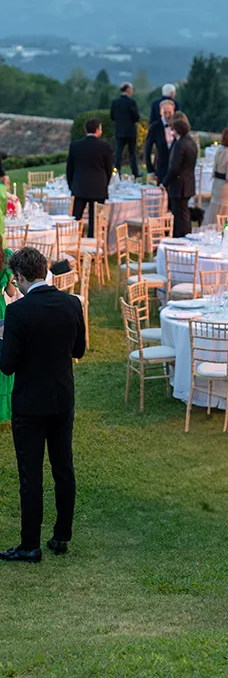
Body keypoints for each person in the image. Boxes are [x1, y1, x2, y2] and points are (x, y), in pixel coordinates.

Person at [0, 247, 86, 562]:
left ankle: (29, 544)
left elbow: (7, 365)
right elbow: (79, 350)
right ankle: (62, 535)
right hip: (62, 399)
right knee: (63, 468)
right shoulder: (71, 303)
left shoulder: (18, 312)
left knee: (30, 474)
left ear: (20, 277)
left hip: (29, 405)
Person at [66, 118, 113, 238]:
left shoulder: (75, 146)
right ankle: (93, 245)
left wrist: (72, 185)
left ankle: (73, 241)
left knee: (76, 218)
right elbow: (108, 169)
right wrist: (104, 184)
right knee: (95, 221)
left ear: (85, 130)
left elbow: (69, 168)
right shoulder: (105, 146)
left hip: (79, 187)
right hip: (98, 188)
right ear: (97, 130)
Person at [161, 113, 198, 237]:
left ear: (176, 130)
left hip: (179, 185)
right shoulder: (191, 142)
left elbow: (175, 168)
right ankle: (186, 235)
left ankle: (181, 237)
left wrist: (164, 183)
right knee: (184, 212)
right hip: (188, 182)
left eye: (172, 129)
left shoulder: (180, 144)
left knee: (180, 215)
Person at [0, 234, 17, 425]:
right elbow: (11, 293)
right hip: (0, 311)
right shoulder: (5, 257)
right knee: (2, 354)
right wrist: (10, 282)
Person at [110, 82, 140, 178]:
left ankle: (116, 171)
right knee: (132, 153)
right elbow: (136, 117)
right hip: (130, 131)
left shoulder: (115, 102)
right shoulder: (132, 102)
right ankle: (135, 172)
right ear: (127, 90)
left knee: (118, 152)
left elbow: (112, 116)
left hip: (119, 130)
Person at [145, 99, 176, 185]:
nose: (167, 115)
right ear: (160, 112)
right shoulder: (155, 127)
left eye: (170, 112)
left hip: (176, 168)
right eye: (165, 112)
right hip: (161, 167)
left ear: (173, 112)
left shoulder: (177, 125)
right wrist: (150, 169)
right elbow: (147, 148)